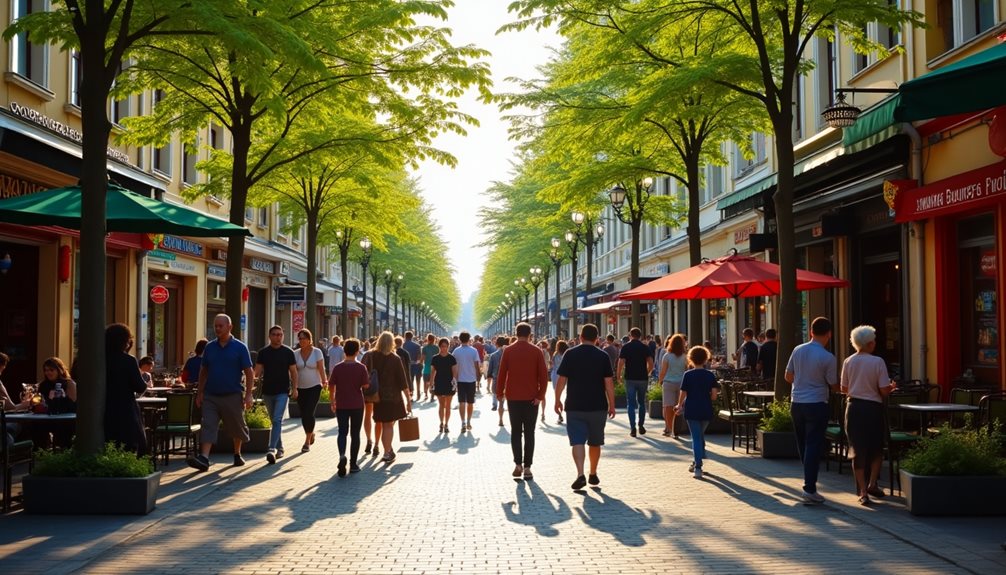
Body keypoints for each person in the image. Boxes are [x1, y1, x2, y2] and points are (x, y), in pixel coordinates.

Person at [188, 314, 255, 471]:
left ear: (229, 327)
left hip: (232, 394)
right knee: (208, 424)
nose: (217, 329)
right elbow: (203, 371)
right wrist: (200, 392)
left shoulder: (240, 347)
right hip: (211, 395)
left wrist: (248, 395)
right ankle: (204, 458)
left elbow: (249, 372)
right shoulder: (210, 347)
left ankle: (237, 454)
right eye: (215, 326)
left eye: (220, 326)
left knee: (236, 426)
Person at [554, 324, 615, 491]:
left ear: (580, 337)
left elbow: (561, 379)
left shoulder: (570, 353)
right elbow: (608, 383)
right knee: (595, 442)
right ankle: (593, 473)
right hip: (597, 406)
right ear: (597, 338)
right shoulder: (602, 356)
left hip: (574, 405)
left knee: (577, 441)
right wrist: (612, 404)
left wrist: (557, 399)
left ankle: (580, 474)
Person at [785, 316, 839, 504]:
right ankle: (809, 488)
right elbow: (833, 385)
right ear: (829, 334)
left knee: (803, 444)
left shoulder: (797, 350)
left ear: (811, 332)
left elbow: (788, 376)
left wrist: (801, 381)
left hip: (797, 402)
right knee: (814, 444)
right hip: (816, 403)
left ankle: (809, 481)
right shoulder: (828, 357)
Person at [841, 325, 897, 505]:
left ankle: (862, 491)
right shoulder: (877, 362)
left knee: (857, 448)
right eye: (873, 339)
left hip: (854, 408)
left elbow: (843, 388)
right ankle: (873, 483)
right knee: (876, 447)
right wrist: (892, 387)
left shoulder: (848, 361)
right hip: (873, 408)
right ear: (869, 343)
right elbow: (883, 390)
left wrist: (857, 389)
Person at [496, 323, 549, 480]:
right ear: (530, 334)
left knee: (516, 432)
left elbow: (502, 373)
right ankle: (527, 467)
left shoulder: (508, 351)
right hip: (532, 398)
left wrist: (499, 393)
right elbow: (543, 376)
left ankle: (517, 464)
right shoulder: (537, 351)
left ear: (516, 333)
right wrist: (540, 396)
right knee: (530, 433)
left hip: (513, 397)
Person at [362, 331, 411, 463]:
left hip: (377, 396)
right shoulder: (395, 359)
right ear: (392, 343)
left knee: (383, 424)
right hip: (392, 397)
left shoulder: (372, 356)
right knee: (388, 425)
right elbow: (402, 381)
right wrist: (408, 399)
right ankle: (387, 452)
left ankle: (387, 450)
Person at [674, 346, 721, 479]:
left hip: (692, 408)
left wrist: (679, 405)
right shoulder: (710, 375)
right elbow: (714, 396)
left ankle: (698, 466)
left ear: (691, 359)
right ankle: (698, 457)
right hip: (705, 408)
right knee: (699, 435)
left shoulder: (687, 375)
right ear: (706, 359)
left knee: (695, 437)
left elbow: (683, 393)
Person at [255, 325, 298, 464]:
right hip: (267, 392)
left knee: (277, 419)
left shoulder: (288, 352)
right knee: (274, 420)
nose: (277, 337)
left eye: (280, 335)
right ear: (270, 336)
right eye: (275, 334)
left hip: (282, 391)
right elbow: (257, 372)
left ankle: (271, 449)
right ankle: (280, 447)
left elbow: (293, 372)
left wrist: (295, 388)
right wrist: (250, 384)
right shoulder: (263, 353)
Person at [103, 324, 148, 456]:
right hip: (125, 408)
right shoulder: (128, 360)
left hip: (104, 408)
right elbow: (140, 386)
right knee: (129, 443)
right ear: (124, 341)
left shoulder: (98, 358)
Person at [328, 338, 369, 476]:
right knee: (355, 433)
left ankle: (341, 455)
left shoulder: (338, 367)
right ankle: (353, 464)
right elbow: (365, 386)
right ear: (357, 351)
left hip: (342, 404)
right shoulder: (361, 368)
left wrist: (332, 400)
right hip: (357, 404)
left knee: (342, 432)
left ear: (344, 351)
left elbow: (331, 384)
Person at [293, 329, 328, 453]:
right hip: (300, 387)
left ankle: (307, 441)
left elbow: (321, 368)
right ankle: (310, 432)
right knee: (303, 414)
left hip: (314, 386)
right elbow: (292, 371)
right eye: (300, 338)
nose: (302, 340)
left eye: (304, 338)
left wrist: (324, 381)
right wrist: (293, 387)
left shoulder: (317, 352)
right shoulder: (295, 353)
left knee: (309, 412)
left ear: (309, 339)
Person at [617, 327, 653, 437]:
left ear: (630, 335)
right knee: (642, 402)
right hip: (642, 378)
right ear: (640, 336)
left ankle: (633, 428)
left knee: (631, 404)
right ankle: (641, 424)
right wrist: (647, 372)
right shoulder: (645, 347)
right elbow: (651, 363)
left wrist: (618, 376)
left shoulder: (626, 347)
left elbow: (621, 362)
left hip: (630, 378)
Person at [658, 334, 688, 438]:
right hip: (681, 383)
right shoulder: (685, 357)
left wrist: (660, 381)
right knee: (678, 407)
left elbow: (663, 371)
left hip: (668, 383)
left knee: (668, 406)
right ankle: (676, 430)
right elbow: (686, 370)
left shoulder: (667, 356)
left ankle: (669, 428)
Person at [452, 331, 481, 432]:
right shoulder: (474, 351)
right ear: (469, 339)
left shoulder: (456, 351)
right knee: (470, 402)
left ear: (460, 339)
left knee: (461, 402)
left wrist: (453, 378)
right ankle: (469, 421)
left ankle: (463, 422)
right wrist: (478, 377)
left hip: (460, 380)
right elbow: (477, 365)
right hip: (471, 379)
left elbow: (453, 366)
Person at [430, 338, 458, 433]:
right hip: (439, 382)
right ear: (439, 347)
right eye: (442, 346)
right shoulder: (435, 358)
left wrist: (454, 380)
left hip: (449, 383)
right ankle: (441, 422)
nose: (444, 348)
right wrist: (431, 383)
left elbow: (454, 370)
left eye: (446, 346)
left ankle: (446, 424)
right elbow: (433, 371)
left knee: (448, 405)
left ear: (448, 346)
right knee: (441, 405)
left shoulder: (451, 358)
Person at [485, 336, 508, 425]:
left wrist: (488, 375)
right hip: (507, 379)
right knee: (506, 400)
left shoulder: (493, 355)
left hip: (497, 378)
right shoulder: (509, 353)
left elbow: (490, 369)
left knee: (499, 399)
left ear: (497, 344)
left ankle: (500, 418)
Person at [550, 340, 569, 424]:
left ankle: (559, 411)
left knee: (556, 392)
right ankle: (561, 409)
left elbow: (553, 364)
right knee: (563, 392)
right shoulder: (566, 354)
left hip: (556, 374)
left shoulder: (556, 354)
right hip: (564, 374)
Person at [402, 331, 423, 401]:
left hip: (407, 366)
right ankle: (418, 392)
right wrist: (416, 362)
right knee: (418, 380)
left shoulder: (403, 345)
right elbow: (419, 356)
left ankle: (411, 394)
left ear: (405, 336)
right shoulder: (417, 346)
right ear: (412, 336)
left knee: (410, 380)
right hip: (416, 365)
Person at [420, 333, 439, 402]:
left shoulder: (424, 348)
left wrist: (420, 364)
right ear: (434, 340)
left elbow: (422, 358)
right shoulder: (437, 348)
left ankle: (426, 394)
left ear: (427, 339)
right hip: (435, 368)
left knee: (426, 382)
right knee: (433, 381)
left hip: (427, 367)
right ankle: (432, 396)